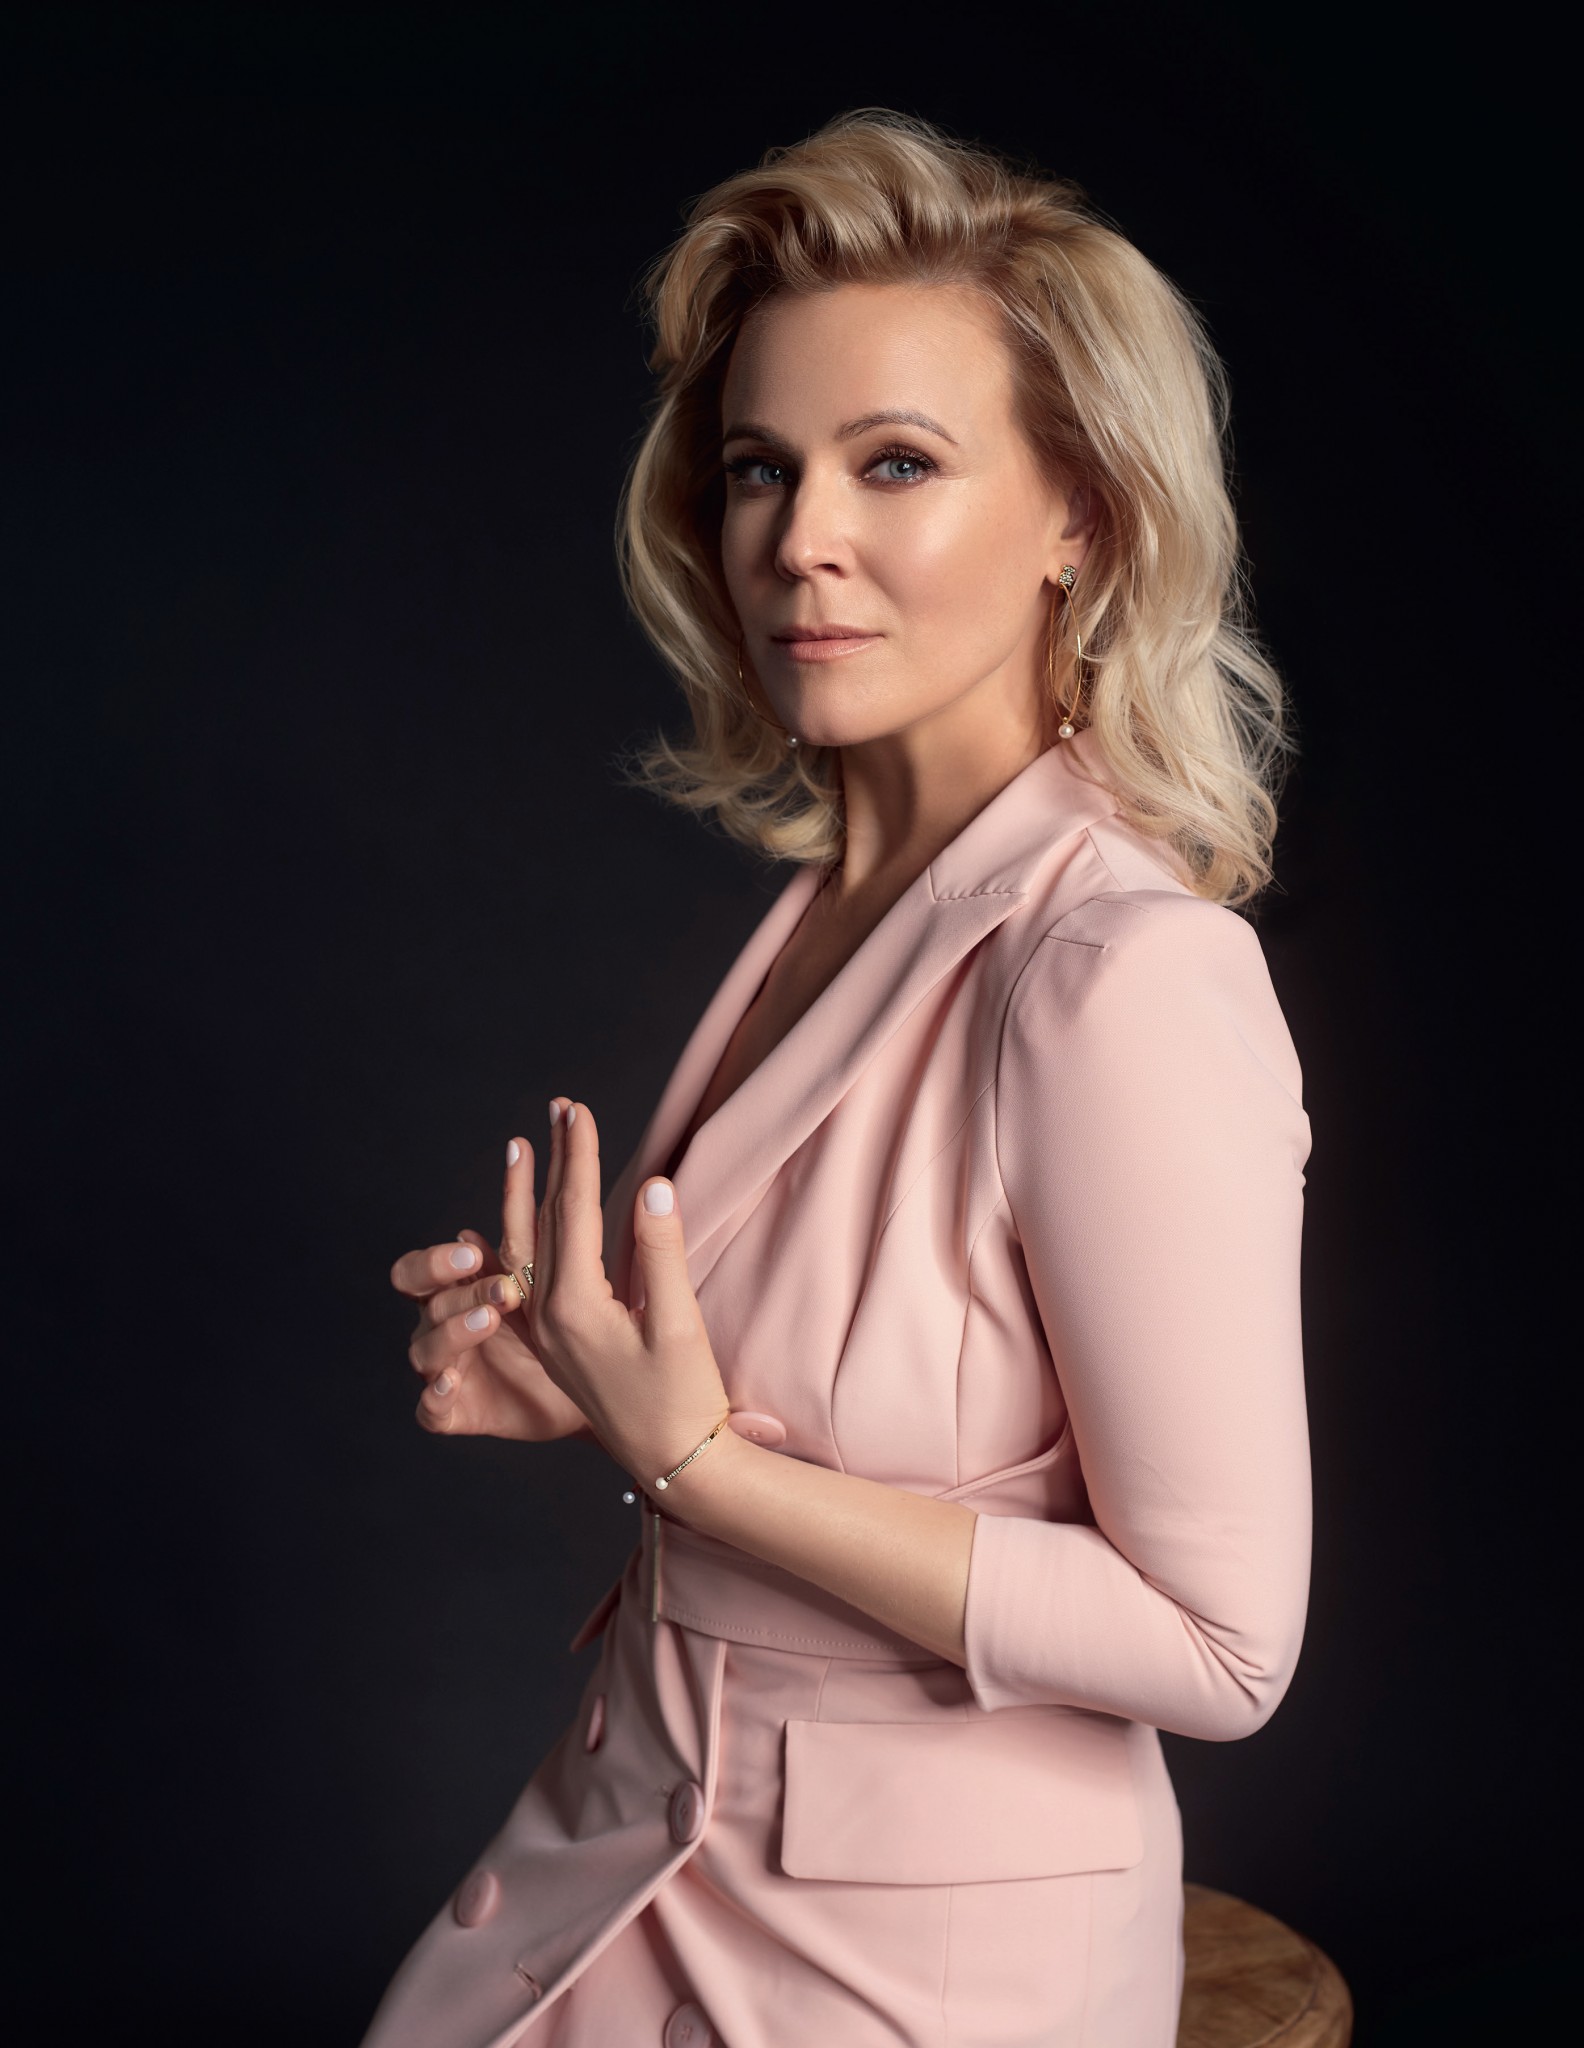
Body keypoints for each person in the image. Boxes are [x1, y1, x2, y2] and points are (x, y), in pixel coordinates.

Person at [361, 108, 1313, 2048]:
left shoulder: (1118, 973)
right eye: (758, 468)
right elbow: (859, 1392)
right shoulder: (836, 903)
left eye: (896, 463)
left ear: (1081, 516)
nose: (799, 537)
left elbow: (1221, 1646)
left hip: (908, 1974)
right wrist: (591, 1373)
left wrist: (698, 1461)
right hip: (643, 1852)